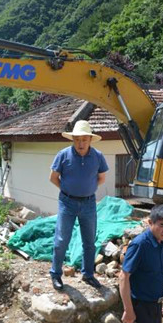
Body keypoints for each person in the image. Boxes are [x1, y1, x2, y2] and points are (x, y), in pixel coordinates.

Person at [49, 120, 108, 291]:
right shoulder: (63, 155)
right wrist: (68, 191)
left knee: (89, 241)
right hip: (67, 203)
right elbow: (53, 178)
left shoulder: (98, 156)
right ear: (73, 140)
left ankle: (88, 274)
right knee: (61, 240)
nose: (80, 144)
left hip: (89, 203)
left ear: (90, 139)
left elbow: (101, 178)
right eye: (77, 140)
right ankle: (55, 274)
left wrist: (86, 191)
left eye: (84, 140)